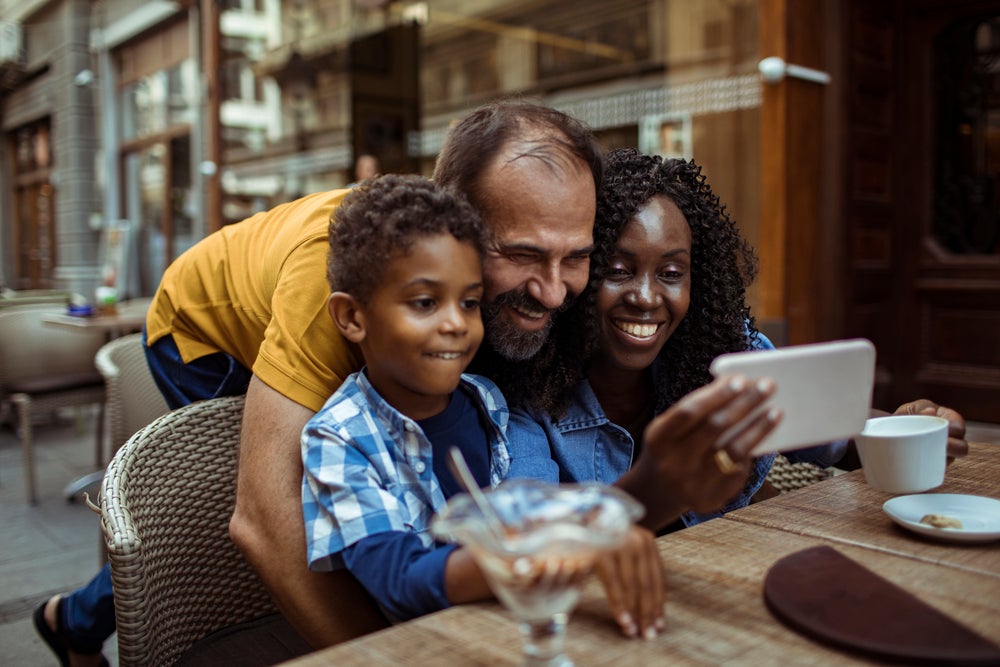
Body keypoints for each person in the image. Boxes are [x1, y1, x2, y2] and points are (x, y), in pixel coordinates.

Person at [33, 99, 619, 665]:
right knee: (254, 507)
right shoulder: (332, 289)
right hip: (203, 336)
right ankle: (75, 619)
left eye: (575, 258)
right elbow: (260, 524)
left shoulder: (454, 282)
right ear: (460, 217)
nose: (552, 290)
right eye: (521, 253)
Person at [504, 148, 969, 534]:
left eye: (671, 274)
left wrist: (909, 427)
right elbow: (530, 521)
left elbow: (833, 436)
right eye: (618, 270)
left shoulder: (724, 353)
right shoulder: (527, 385)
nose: (646, 297)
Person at [301, 173, 662, 633]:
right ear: (352, 317)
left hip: (518, 626)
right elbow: (401, 581)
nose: (456, 323)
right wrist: (551, 550)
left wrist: (592, 526)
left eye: (469, 302)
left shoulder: (486, 399)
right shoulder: (340, 439)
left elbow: (527, 505)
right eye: (426, 302)